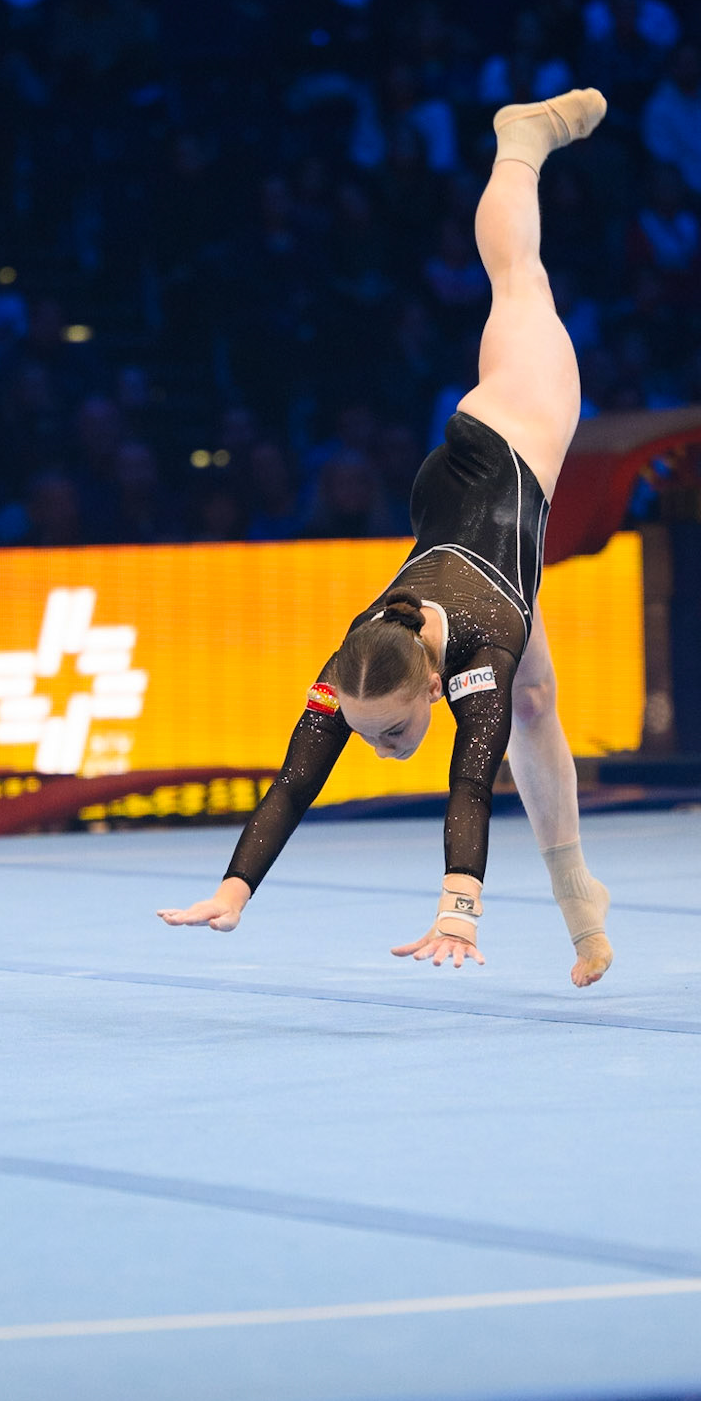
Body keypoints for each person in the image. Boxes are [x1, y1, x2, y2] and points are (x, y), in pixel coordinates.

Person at [159, 88, 614, 988]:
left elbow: (469, 783)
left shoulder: (477, 646)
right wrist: (233, 888)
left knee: (519, 282)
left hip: (516, 433)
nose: (380, 746)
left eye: (393, 730)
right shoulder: (357, 669)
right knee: (534, 705)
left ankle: (520, 144)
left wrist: (457, 907)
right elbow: (294, 781)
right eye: (372, 735)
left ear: (432, 685)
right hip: (452, 521)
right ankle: (583, 908)